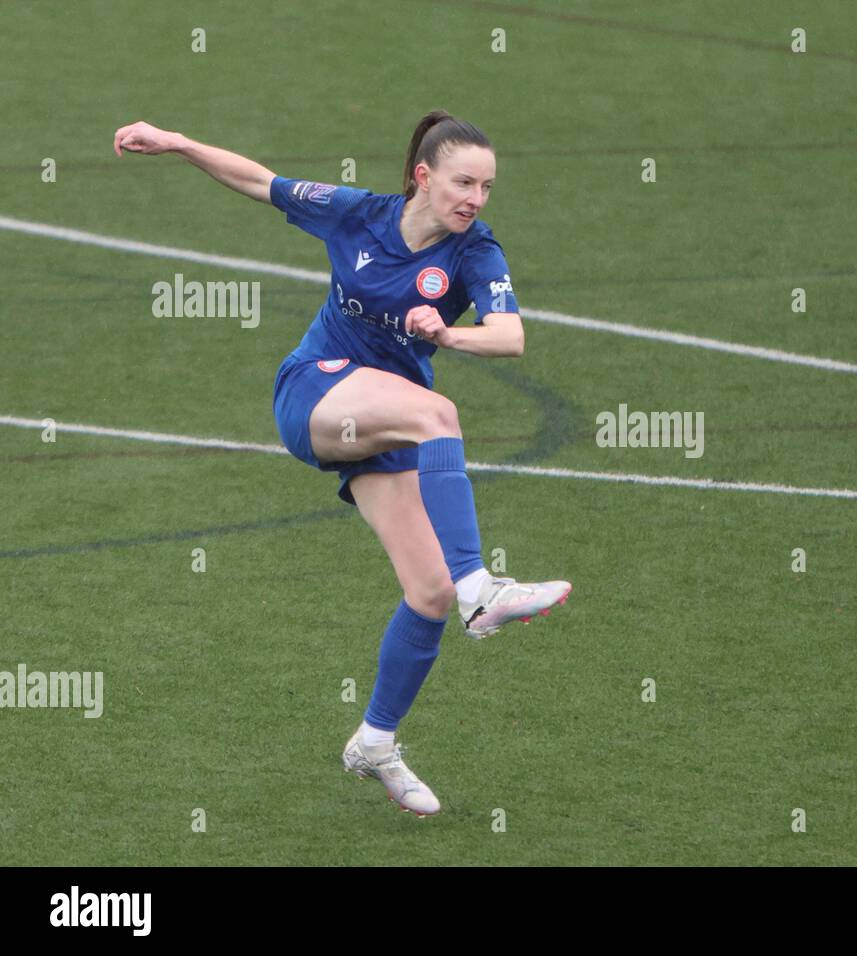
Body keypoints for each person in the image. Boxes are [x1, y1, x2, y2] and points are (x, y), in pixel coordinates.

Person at [113, 111, 571, 817]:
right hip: (315, 390)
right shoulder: (356, 214)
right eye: (463, 182)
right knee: (437, 415)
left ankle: (376, 741)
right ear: (423, 177)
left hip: (380, 425)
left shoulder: (474, 251)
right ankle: (483, 586)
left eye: (486, 185)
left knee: (428, 593)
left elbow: (509, 337)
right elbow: (260, 182)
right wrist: (177, 144)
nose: (476, 198)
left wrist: (448, 331)